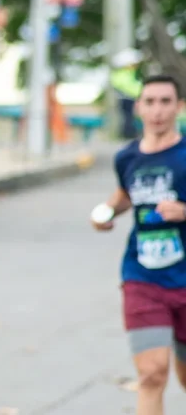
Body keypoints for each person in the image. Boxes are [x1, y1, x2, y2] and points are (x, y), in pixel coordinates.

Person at [92, 74, 186, 414]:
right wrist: (105, 212)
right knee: (151, 374)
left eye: (165, 101)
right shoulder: (127, 157)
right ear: (139, 108)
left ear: (179, 107)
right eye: (150, 102)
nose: (158, 110)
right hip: (142, 276)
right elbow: (127, 195)